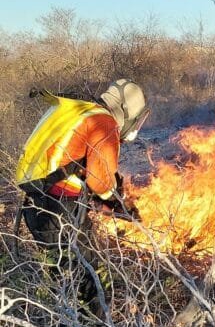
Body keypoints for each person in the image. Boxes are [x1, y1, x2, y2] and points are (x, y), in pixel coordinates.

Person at [16, 79, 149, 301]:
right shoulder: (103, 121)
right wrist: (116, 202)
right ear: (128, 113)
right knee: (89, 278)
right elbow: (100, 182)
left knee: (62, 274)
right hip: (59, 210)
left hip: (36, 203)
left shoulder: (78, 110)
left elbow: (74, 160)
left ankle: (66, 322)